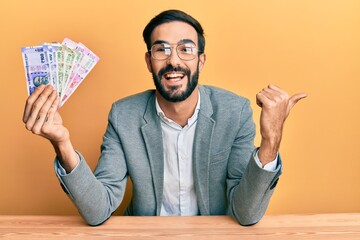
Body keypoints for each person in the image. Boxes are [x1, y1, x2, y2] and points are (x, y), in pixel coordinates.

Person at [22, 9, 307, 226]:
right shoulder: (124, 115)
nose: (174, 61)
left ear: (201, 60)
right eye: (161, 49)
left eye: (186, 49)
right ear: (149, 61)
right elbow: (98, 211)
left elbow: (246, 214)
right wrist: (62, 143)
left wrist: (271, 141)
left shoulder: (234, 112)